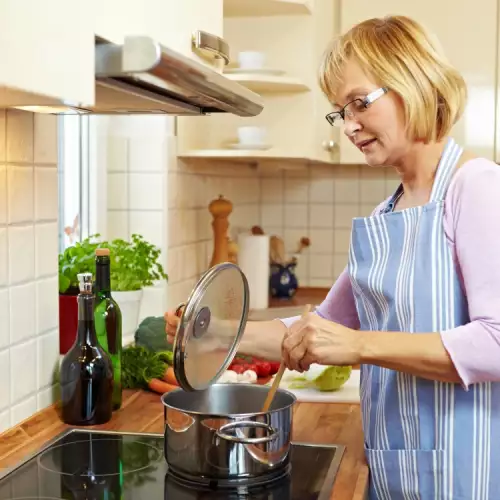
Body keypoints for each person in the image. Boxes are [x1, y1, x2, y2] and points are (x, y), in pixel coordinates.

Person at [165, 15, 500, 499]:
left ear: (415, 81)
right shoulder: (390, 210)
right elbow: (313, 331)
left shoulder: (477, 186)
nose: (349, 125)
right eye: (340, 111)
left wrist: (359, 345)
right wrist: (211, 332)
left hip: (468, 468)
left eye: (360, 103)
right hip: (397, 460)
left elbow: (494, 342)